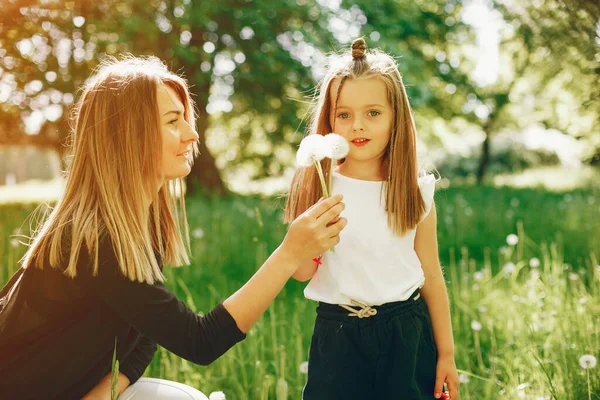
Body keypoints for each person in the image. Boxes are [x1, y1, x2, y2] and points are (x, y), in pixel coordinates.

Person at [0, 56, 346, 400]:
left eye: (185, 119)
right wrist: (288, 256)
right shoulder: (97, 239)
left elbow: (145, 333)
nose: (192, 134)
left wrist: (104, 395)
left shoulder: (136, 223)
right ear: (126, 136)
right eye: (172, 121)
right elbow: (200, 341)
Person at [284, 38, 460, 399]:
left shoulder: (415, 189)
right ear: (329, 119)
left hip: (406, 330)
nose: (357, 126)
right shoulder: (320, 183)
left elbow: (430, 273)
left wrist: (447, 354)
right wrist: (313, 239)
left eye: (373, 113)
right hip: (338, 334)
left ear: (396, 116)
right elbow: (302, 272)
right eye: (344, 114)